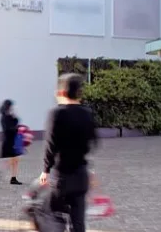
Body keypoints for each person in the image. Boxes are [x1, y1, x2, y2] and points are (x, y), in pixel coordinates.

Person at [39, 73, 98, 232]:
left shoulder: (56, 113)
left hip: (61, 177)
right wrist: (91, 171)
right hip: (81, 176)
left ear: (62, 92)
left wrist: (45, 170)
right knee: (78, 222)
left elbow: (50, 146)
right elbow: (93, 143)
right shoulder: (87, 113)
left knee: (52, 216)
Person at [0, 99, 22, 185]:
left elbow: (16, 121)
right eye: (11, 106)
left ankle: (13, 178)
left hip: (13, 140)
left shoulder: (9, 116)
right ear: (8, 106)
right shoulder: (3, 117)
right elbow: (7, 129)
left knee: (15, 160)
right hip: (8, 141)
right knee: (13, 160)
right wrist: (15, 129)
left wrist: (14, 116)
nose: (12, 108)